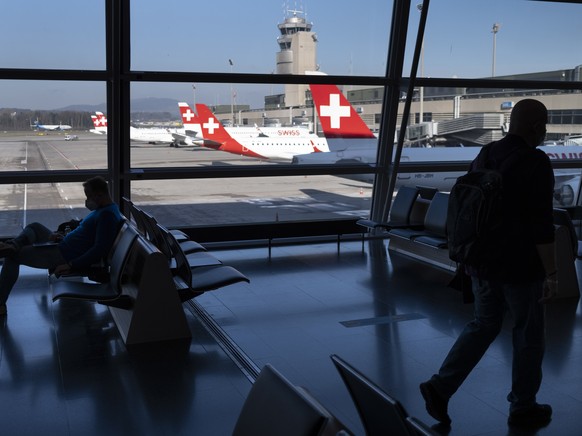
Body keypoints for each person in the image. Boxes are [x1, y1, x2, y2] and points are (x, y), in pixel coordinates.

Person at [420, 99, 557, 428]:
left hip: (480, 261)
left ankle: (441, 386)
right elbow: (541, 225)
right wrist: (551, 272)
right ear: (537, 127)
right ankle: (523, 405)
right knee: (527, 334)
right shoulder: (536, 162)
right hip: (519, 266)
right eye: (545, 124)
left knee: (483, 326)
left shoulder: (486, 154)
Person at [0, 176, 123, 316]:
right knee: (35, 227)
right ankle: (13, 245)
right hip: (63, 244)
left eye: (88, 196)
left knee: (12, 257)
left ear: (99, 194)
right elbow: (87, 236)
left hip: (63, 254)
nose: (87, 200)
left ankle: (0, 302)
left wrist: (71, 264)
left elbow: (100, 249)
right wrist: (62, 236)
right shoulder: (105, 210)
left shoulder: (107, 216)